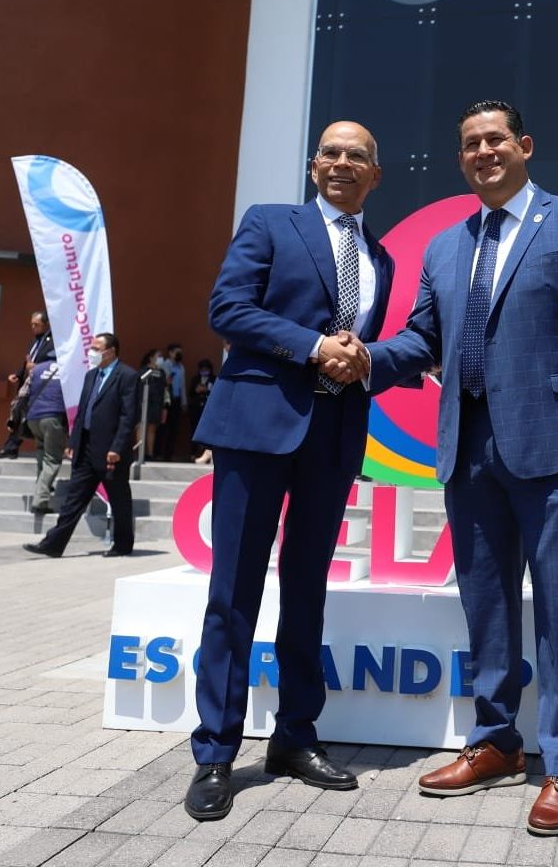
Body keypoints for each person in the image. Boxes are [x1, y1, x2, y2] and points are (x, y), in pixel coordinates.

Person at [362, 100, 558, 837]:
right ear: (461, 159)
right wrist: (364, 360)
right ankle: (495, 742)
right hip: (467, 448)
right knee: (485, 604)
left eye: (494, 140)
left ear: (524, 146)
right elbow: (421, 340)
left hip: (555, 449)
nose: (482, 152)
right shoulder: (446, 246)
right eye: (470, 145)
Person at [181, 120, 397, 822]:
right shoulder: (271, 223)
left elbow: (365, 346)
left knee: (307, 591)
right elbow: (228, 309)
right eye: (330, 152)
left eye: (356, 156)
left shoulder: (383, 259)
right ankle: (216, 750)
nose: (342, 163)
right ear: (314, 167)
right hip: (256, 429)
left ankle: (295, 737)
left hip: (334, 438)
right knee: (234, 591)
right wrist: (313, 346)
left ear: (375, 175)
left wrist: (361, 359)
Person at [23, 332, 137, 558]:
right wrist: (73, 441)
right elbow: (83, 410)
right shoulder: (91, 375)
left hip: (110, 451)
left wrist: (117, 448)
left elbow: (129, 416)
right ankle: (53, 544)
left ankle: (123, 545)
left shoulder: (127, 376)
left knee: (119, 499)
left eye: (97, 348)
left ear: (111, 351)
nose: (92, 352)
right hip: (86, 448)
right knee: (74, 499)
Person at [0, 311, 55, 459]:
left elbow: (54, 364)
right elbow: (28, 362)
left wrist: (37, 367)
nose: (33, 327)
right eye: (32, 324)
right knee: (19, 413)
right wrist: (18, 374)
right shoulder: (35, 342)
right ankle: (11, 448)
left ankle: (12, 447)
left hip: (42, 385)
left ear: (46, 325)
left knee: (25, 415)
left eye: (37, 324)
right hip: (28, 384)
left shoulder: (53, 342)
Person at [24, 359, 68, 519]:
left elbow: (24, 392)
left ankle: (40, 489)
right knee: (52, 459)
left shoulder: (37, 369)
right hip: (53, 417)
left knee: (42, 454)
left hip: (33, 417)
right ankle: (40, 501)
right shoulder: (69, 368)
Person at [156, 344, 188, 460]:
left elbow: (182, 385)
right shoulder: (164, 365)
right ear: (170, 353)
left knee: (174, 429)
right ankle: (158, 453)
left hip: (177, 400)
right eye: (176, 352)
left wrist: (184, 402)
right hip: (166, 400)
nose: (179, 355)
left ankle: (169, 455)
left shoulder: (181, 367)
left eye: (180, 352)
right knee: (162, 428)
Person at [136, 350, 169, 459]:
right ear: (151, 358)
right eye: (158, 356)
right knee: (141, 427)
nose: (160, 358)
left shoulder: (161, 372)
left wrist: (165, 406)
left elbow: (165, 389)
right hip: (143, 403)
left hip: (156, 404)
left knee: (152, 428)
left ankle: (150, 454)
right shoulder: (143, 371)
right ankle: (140, 453)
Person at [188, 358, 216, 462]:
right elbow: (190, 393)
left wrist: (207, 390)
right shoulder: (196, 379)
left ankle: (206, 453)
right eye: (202, 370)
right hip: (196, 408)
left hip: (207, 407)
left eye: (206, 369)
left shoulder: (214, 379)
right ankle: (193, 453)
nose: (204, 371)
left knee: (207, 431)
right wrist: (196, 390)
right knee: (194, 430)